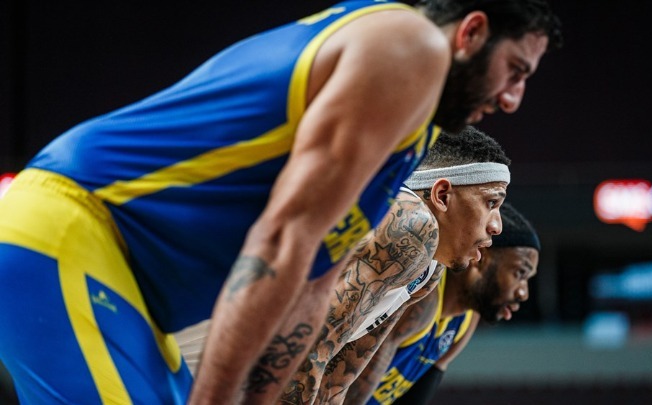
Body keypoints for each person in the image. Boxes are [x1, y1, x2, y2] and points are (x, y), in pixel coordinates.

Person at [0, 1, 561, 404]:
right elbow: (283, 240)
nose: (513, 99)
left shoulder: (407, 139)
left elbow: (313, 288)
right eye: (515, 71)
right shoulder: (409, 46)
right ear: (471, 33)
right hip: (76, 226)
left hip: (128, 274)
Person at [176, 126, 511, 403]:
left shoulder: (428, 268)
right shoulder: (411, 221)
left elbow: (338, 376)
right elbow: (305, 351)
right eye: (491, 202)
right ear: (442, 195)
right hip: (190, 348)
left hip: (230, 372)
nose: (497, 225)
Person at [347, 203, 541, 404]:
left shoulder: (465, 320)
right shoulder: (421, 299)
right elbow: (348, 390)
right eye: (520, 273)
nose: (523, 293)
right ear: (482, 258)